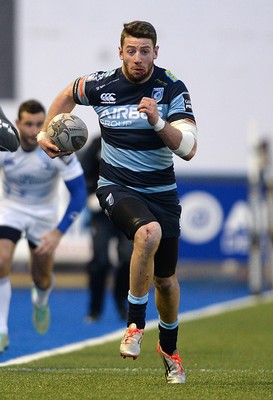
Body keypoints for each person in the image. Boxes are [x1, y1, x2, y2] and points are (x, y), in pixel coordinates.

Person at [37, 20, 197, 384]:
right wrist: (47, 130)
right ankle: (135, 325)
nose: (137, 58)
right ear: (120, 51)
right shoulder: (102, 84)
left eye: (145, 51)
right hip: (116, 186)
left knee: (167, 283)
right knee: (148, 234)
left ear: (156, 53)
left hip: (161, 192)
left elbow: (188, 148)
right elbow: (68, 94)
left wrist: (158, 121)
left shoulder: (171, 87)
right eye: (131, 50)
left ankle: (170, 351)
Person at [0, 100, 87, 353]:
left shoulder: (57, 147)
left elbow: (79, 192)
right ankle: (2, 330)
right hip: (11, 210)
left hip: (44, 217)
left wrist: (58, 233)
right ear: (17, 124)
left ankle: (41, 299)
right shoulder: (5, 146)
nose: (33, 129)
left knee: (42, 276)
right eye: (28, 124)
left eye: (39, 124)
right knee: (1, 259)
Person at [80, 135, 132, 322]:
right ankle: (95, 308)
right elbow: (83, 172)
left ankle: (121, 302)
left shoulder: (132, 141)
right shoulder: (96, 144)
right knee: (99, 261)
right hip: (101, 214)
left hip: (127, 212)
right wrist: (90, 194)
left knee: (128, 258)